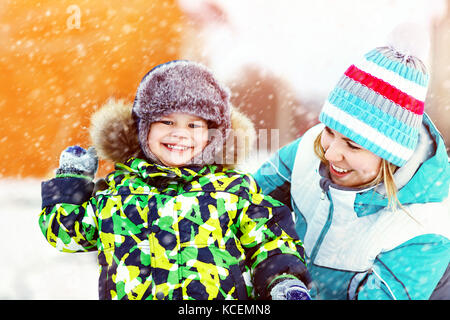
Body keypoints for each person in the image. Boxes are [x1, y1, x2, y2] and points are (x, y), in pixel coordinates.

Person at [38, 60, 311, 300]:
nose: (180, 134)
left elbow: (269, 241)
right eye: (167, 122)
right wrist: (70, 183)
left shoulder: (234, 191)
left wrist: (284, 281)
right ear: (143, 127)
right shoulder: (117, 193)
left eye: (193, 125)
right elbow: (66, 234)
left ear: (214, 134)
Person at [253, 45, 450, 300]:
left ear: (391, 157)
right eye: (330, 131)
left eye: (353, 145)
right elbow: (240, 207)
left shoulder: (424, 229)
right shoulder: (307, 151)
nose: (331, 154)